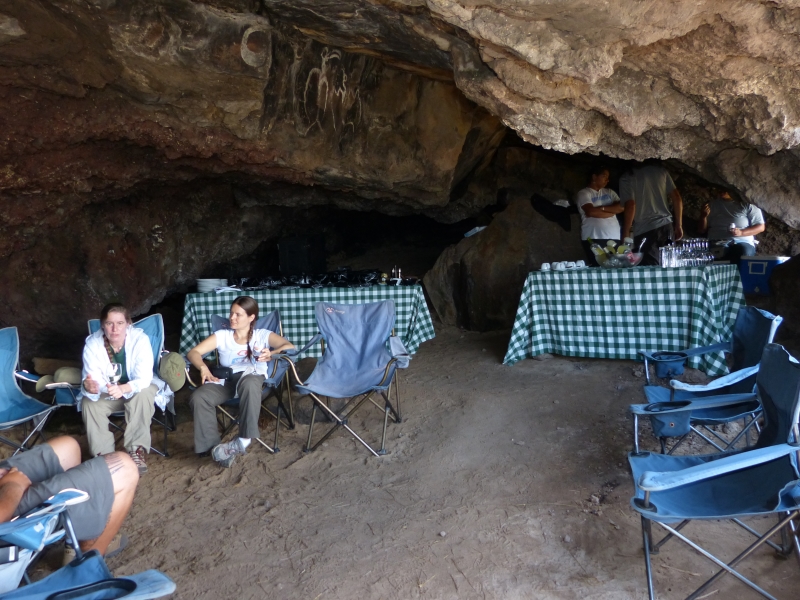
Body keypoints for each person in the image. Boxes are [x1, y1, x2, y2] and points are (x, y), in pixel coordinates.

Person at [187, 296, 295, 468]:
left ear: (251, 317)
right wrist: (203, 368)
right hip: (227, 381)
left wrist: (272, 353)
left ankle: (243, 440)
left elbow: (289, 346)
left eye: (238, 314)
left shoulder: (262, 335)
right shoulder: (222, 336)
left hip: (252, 380)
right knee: (200, 397)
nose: (232, 318)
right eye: (231, 313)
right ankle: (215, 450)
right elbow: (193, 353)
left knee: (250, 382)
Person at [0, 436, 138, 563]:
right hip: (5, 518)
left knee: (68, 448)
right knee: (125, 468)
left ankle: (75, 538)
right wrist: (13, 484)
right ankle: (89, 558)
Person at [81, 303, 161, 475]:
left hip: (136, 390)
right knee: (89, 403)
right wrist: (91, 386)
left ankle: (136, 450)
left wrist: (123, 388)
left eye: (120, 323)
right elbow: (92, 377)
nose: (115, 329)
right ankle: (105, 457)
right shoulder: (93, 344)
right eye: (109, 323)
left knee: (144, 393)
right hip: (109, 392)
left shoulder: (140, 340)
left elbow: (144, 378)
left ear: (128, 324)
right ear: (102, 325)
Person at [620, 164, 684, 266]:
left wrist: (626, 233)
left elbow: (631, 205)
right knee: (669, 265)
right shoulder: (661, 171)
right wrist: (678, 225)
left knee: (650, 269)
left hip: (645, 230)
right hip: (666, 227)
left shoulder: (628, 176)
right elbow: (677, 198)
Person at [574, 165, 635, 265]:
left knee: (615, 266)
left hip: (614, 236)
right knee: (598, 266)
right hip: (594, 236)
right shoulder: (584, 193)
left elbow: (622, 207)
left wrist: (601, 208)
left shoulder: (610, 192)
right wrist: (612, 211)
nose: (607, 180)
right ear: (594, 177)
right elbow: (590, 212)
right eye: (604, 176)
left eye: (608, 177)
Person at [698, 189, 765, 264]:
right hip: (716, 242)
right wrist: (703, 217)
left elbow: (760, 227)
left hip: (742, 242)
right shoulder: (710, 206)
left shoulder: (747, 205)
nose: (722, 193)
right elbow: (702, 230)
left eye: (725, 190)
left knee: (741, 251)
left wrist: (741, 232)